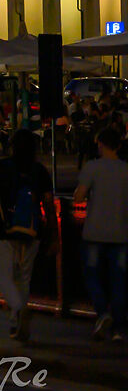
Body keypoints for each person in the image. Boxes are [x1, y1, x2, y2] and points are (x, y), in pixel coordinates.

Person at [0, 128, 54, 343]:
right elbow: (49, 207)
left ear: (11, 146)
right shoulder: (40, 171)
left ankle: (18, 309)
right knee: (23, 277)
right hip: (32, 232)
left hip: (3, 232)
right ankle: (16, 322)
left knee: (2, 274)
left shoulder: (0, 168)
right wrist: (54, 237)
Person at [72, 124, 128, 341]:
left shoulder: (92, 167)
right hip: (121, 232)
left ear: (101, 145)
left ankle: (103, 314)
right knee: (119, 280)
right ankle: (118, 328)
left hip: (95, 231)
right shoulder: (125, 169)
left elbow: (79, 196)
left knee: (93, 275)